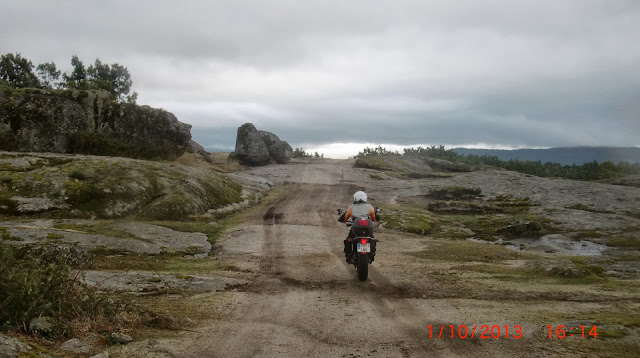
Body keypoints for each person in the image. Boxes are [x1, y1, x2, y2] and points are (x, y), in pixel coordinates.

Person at [338, 190, 379, 263]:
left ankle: (349, 255)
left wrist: (343, 219)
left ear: (355, 198)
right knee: (371, 239)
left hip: (356, 228)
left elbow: (345, 218)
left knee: (348, 240)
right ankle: (372, 254)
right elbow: (375, 218)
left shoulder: (351, 207)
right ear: (365, 198)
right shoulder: (369, 207)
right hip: (367, 227)